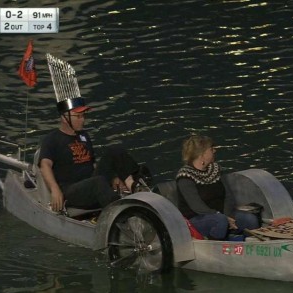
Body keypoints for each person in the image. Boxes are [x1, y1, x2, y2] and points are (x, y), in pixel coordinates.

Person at [39, 54, 150, 213]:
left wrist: (114, 177)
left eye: (83, 116)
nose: (82, 120)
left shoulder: (84, 136)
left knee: (114, 151)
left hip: (92, 182)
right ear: (64, 118)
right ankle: (123, 214)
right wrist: (55, 189)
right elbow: (45, 165)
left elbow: (93, 164)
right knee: (97, 182)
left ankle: (135, 186)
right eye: (78, 116)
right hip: (71, 191)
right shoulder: (52, 139)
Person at [176, 135, 259, 240]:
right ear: (202, 154)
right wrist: (223, 217)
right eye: (211, 149)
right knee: (220, 221)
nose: (214, 151)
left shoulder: (215, 169)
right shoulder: (185, 176)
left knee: (250, 220)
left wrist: (228, 215)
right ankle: (215, 244)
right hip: (197, 218)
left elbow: (228, 196)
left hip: (222, 215)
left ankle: (250, 244)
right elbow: (197, 206)